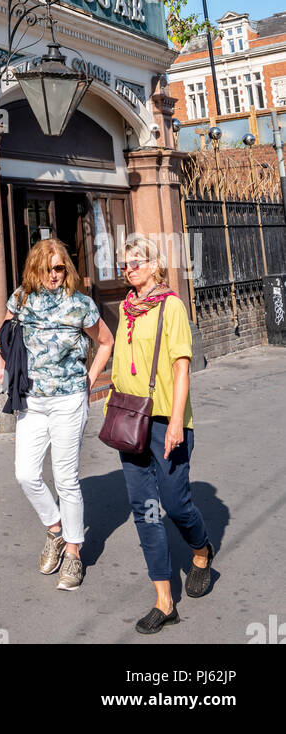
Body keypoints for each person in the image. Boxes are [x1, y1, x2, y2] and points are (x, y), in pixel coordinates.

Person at [0, 238, 114, 591]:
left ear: (67, 269)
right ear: (36, 269)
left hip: (68, 401)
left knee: (66, 479)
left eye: (59, 268)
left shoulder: (80, 306)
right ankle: (56, 529)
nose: (54, 275)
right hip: (32, 400)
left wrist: (89, 381)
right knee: (25, 474)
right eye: (47, 268)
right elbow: (4, 332)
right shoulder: (22, 299)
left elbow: (105, 342)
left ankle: (74, 553)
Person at [108, 233, 214, 634]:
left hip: (166, 422)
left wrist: (174, 423)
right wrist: (112, 406)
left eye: (136, 262)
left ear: (154, 266)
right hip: (130, 419)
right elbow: (122, 361)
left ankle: (201, 550)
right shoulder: (126, 307)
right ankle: (164, 599)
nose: (128, 269)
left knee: (175, 502)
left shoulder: (172, 306)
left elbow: (181, 368)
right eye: (125, 264)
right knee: (145, 509)